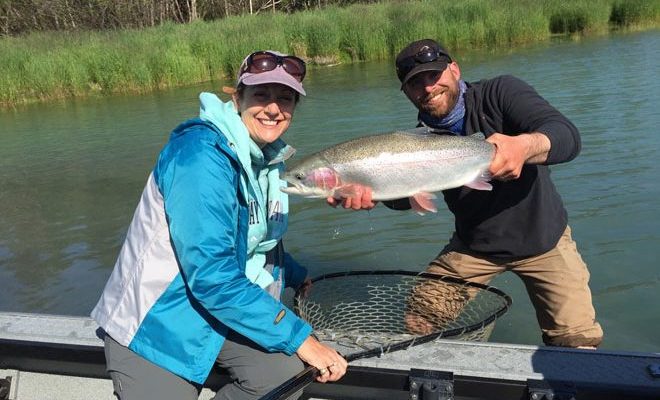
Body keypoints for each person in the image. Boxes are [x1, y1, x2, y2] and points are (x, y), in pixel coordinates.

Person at [91, 50, 347, 400]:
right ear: (236, 96)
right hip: (157, 325)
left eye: (285, 98)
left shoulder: (265, 158)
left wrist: (293, 270)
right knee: (296, 351)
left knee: (285, 376)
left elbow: (251, 240)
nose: (273, 109)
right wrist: (300, 337)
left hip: (215, 310)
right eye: (261, 95)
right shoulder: (200, 156)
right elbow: (212, 274)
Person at [329, 39, 603, 348]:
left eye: (434, 75)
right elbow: (408, 198)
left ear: (455, 69)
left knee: (578, 343)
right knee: (420, 320)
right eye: (415, 83)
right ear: (406, 93)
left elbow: (567, 136)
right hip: (474, 246)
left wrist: (525, 146)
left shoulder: (501, 93)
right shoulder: (415, 141)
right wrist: (374, 193)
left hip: (545, 240)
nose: (428, 87)